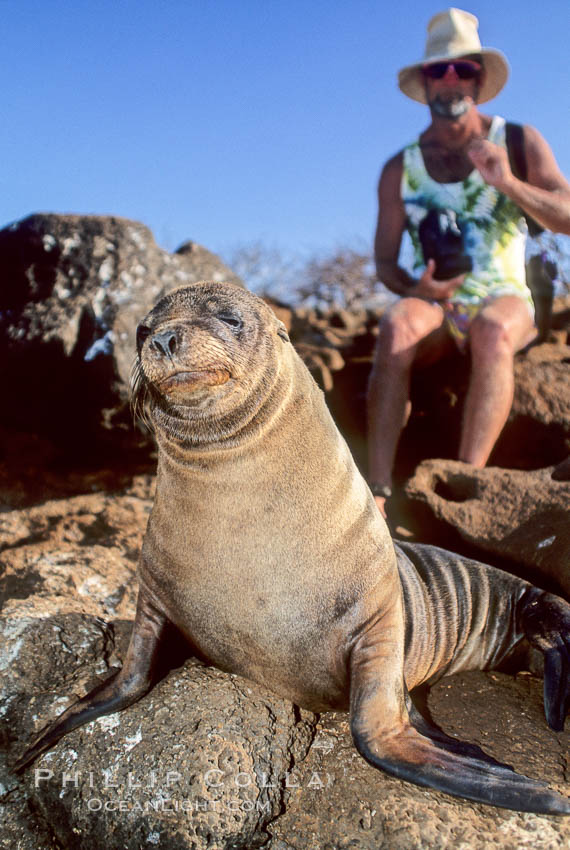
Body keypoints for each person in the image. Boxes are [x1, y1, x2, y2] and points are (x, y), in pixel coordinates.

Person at [367, 7, 570, 518]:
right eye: (440, 69)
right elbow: (386, 266)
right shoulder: (399, 168)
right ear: (426, 81)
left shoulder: (519, 141)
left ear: (480, 78)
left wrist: (508, 184)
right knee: (395, 325)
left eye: (464, 68)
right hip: (437, 302)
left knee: (492, 330)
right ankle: (376, 491)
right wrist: (422, 287)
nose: (452, 78)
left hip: (505, 297)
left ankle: (462, 485)